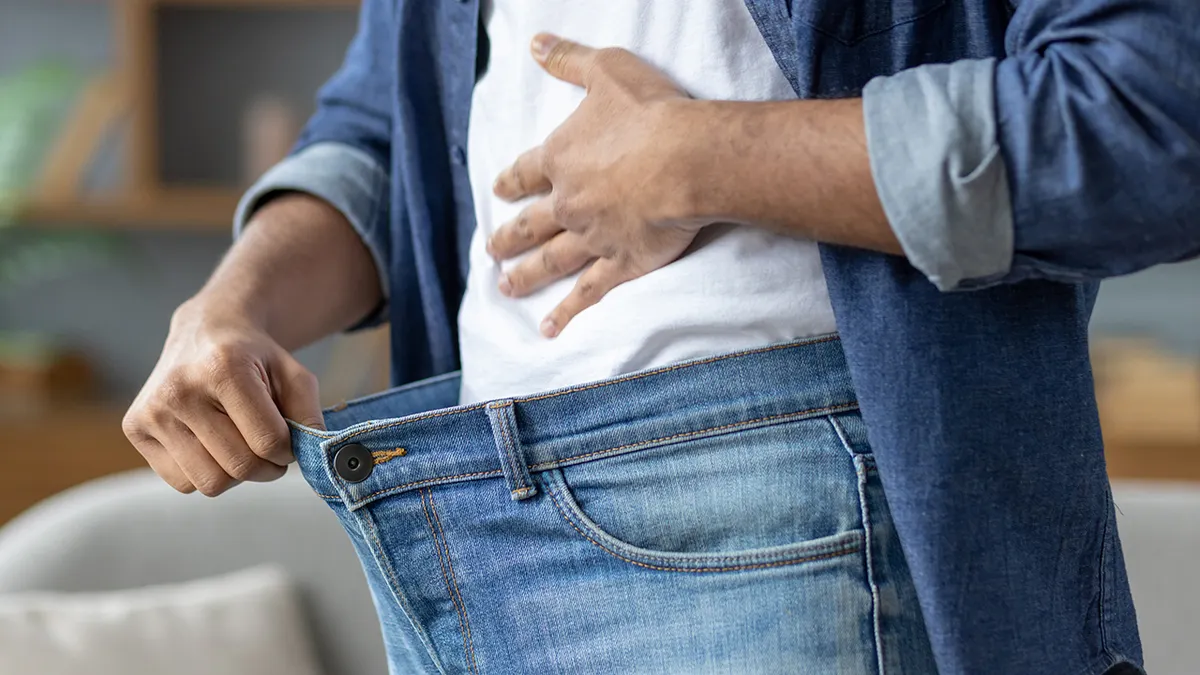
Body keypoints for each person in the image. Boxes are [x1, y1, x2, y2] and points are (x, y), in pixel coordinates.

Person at [123, 1, 1200, 673]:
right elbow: (393, 122)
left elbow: (1150, 114)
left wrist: (700, 161)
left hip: (788, 507)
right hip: (456, 508)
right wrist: (236, 303)